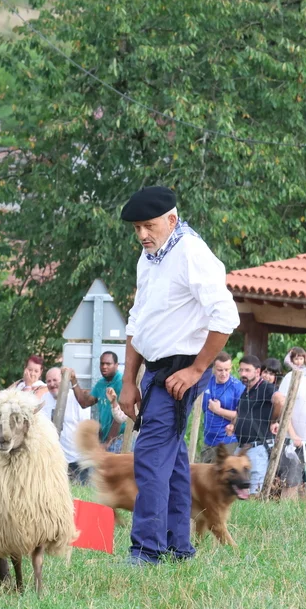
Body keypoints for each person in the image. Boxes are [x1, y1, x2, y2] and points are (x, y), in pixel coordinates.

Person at [117, 186, 239, 566]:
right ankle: (176, 546)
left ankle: (146, 552)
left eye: (149, 226)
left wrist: (197, 369)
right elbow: (138, 321)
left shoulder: (192, 253)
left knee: (150, 457)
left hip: (182, 369)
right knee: (171, 461)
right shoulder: (148, 257)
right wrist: (128, 381)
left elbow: (226, 317)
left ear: (172, 219)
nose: (142, 234)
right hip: (155, 370)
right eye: (136, 228)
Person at [225, 356, 278, 495]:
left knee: (254, 493)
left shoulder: (266, 387)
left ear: (258, 371)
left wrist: (274, 420)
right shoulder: (246, 391)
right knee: (237, 492)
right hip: (242, 449)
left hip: (257, 448)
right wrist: (233, 425)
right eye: (241, 370)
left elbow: (280, 400)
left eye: (247, 370)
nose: (243, 374)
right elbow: (241, 413)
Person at [272, 344, 306, 498]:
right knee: (291, 484)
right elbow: (283, 407)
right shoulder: (292, 376)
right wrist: (293, 435)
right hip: (292, 441)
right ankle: (286, 514)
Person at [41, 367, 91, 484]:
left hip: (77, 460)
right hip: (55, 460)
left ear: (63, 380)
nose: (52, 384)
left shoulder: (76, 398)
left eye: (55, 380)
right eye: (48, 381)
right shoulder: (44, 399)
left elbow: (85, 427)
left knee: (80, 492)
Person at [68, 351, 125, 451]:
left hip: (119, 440)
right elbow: (85, 403)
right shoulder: (101, 384)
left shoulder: (121, 382)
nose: (104, 367)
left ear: (116, 365)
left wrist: (109, 442)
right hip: (105, 440)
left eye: (108, 364)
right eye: (102, 363)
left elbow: (119, 417)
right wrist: (73, 381)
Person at [199, 352, 244, 464]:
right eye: (220, 370)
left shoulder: (237, 387)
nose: (224, 373)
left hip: (227, 441)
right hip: (208, 440)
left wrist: (218, 410)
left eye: (227, 369)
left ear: (231, 368)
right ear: (214, 368)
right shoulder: (206, 382)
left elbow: (242, 416)